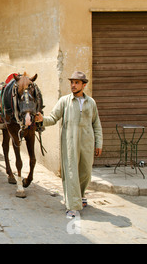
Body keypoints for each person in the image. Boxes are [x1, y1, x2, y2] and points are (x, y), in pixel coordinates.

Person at [35, 71, 103, 218]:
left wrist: (99, 143)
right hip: (70, 143)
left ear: (84, 85)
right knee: (71, 172)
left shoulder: (91, 102)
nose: (73, 85)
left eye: (76, 83)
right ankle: (72, 206)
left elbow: (96, 124)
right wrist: (41, 119)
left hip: (87, 142)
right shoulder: (64, 101)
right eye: (72, 82)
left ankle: (81, 195)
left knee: (85, 172)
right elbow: (53, 118)